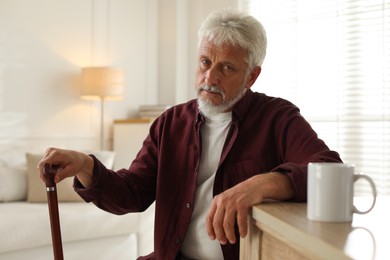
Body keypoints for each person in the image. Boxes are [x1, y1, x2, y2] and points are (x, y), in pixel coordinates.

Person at [38, 8, 342, 260]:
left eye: (227, 68)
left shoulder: (277, 117)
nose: (210, 78)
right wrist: (85, 165)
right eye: (205, 62)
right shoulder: (170, 122)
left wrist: (263, 184)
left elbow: (328, 169)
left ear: (252, 75)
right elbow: (131, 194)